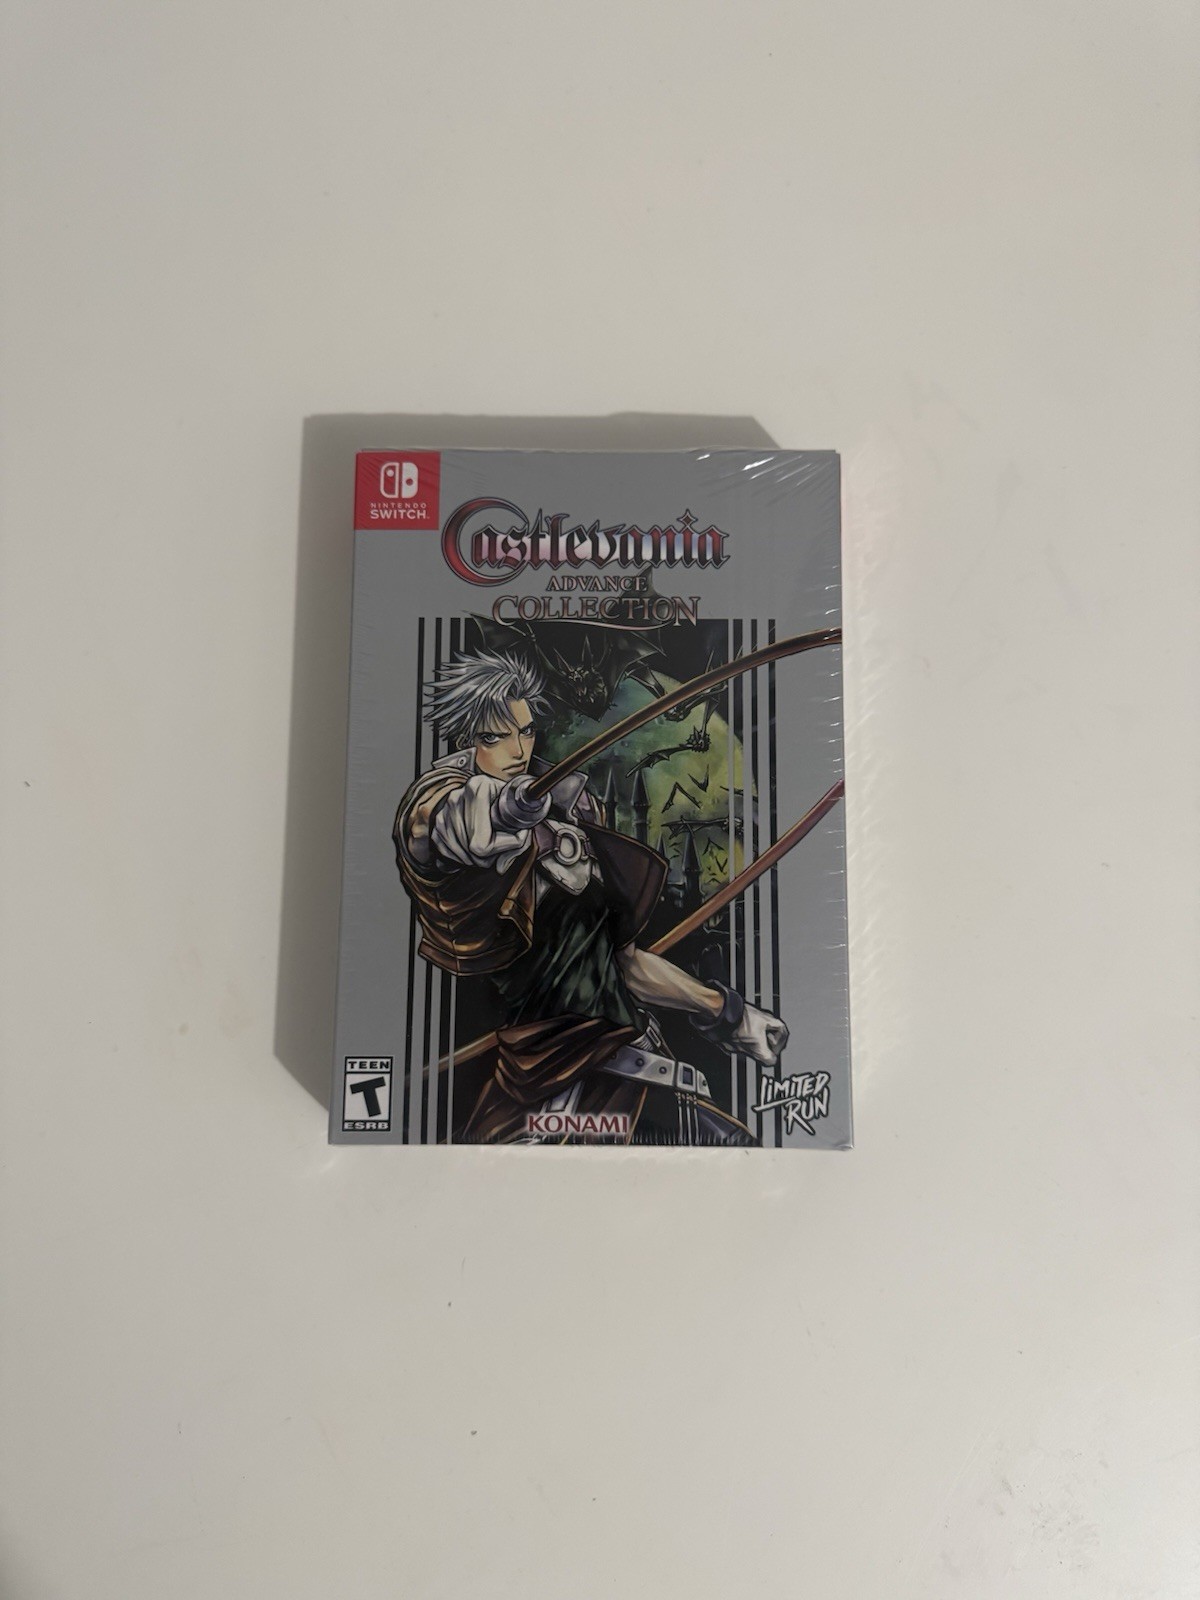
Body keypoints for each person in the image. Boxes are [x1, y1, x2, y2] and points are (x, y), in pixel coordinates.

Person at [392, 649, 788, 1144]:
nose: (517, 750)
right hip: (548, 1085)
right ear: (464, 742)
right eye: (493, 737)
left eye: (526, 732)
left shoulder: (570, 814)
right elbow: (442, 820)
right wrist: (506, 806)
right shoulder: (444, 811)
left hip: (641, 1066)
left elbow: (624, 965)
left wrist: (730, 1013)